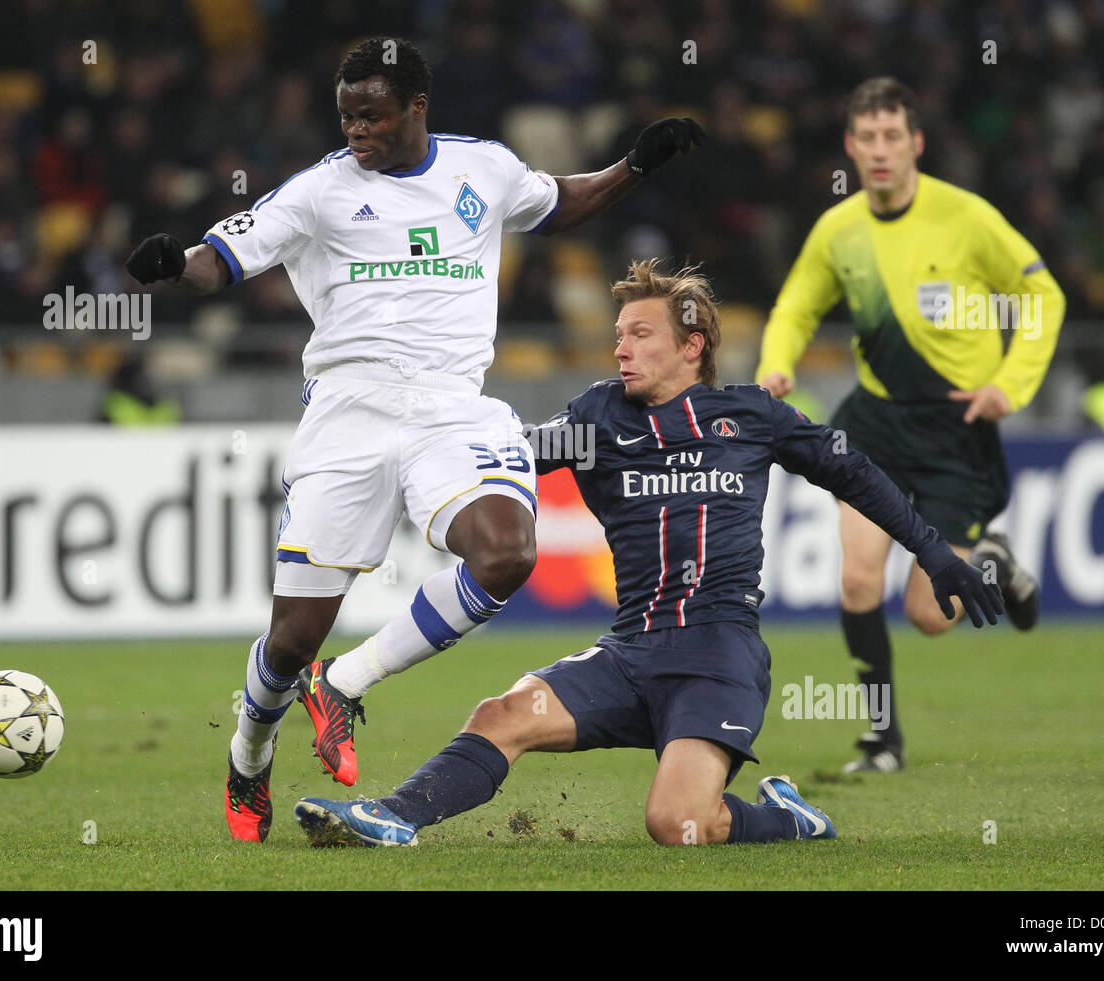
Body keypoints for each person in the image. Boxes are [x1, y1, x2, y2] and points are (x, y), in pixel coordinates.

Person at [125, 37, 705, 842]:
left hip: (449, 408)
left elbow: (557, 202)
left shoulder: (483, 169)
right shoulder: (319, 191)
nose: (357, 130)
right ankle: (248, 754)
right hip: (348, 411)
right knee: (291, 638)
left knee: (507, 552)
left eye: (373, 114)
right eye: (347, 116)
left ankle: (349, 681)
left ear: (417, 108)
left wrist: (633, 166)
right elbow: (222, 258)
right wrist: (173, 265)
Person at [292, 260, 1003, 849]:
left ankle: (790, 818)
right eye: (618, 334)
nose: (620, 348)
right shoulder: (600, 418)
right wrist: (404, 444)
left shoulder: (751, 417)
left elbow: (853, 472)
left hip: (717, 656)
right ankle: (393, 815)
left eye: (639, 333)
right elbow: (513, 460)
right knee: (500, 713)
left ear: (692, 346)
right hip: (630, 653)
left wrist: (935, 553)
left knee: (679, 823)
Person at [755, 77, 1065, 773]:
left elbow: (1041, 294)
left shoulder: (966, 218)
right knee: (859, 580)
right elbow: (796, 305)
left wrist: (1010, 386)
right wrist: (778, 364)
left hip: (959, 428)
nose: (881, 151)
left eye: (893, 136)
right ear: (850, 146)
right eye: (867, 138)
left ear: (917, 142)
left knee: (930, 614)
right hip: (875, 424)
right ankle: (881, 740)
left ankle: (993, 560)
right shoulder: (840, 229)